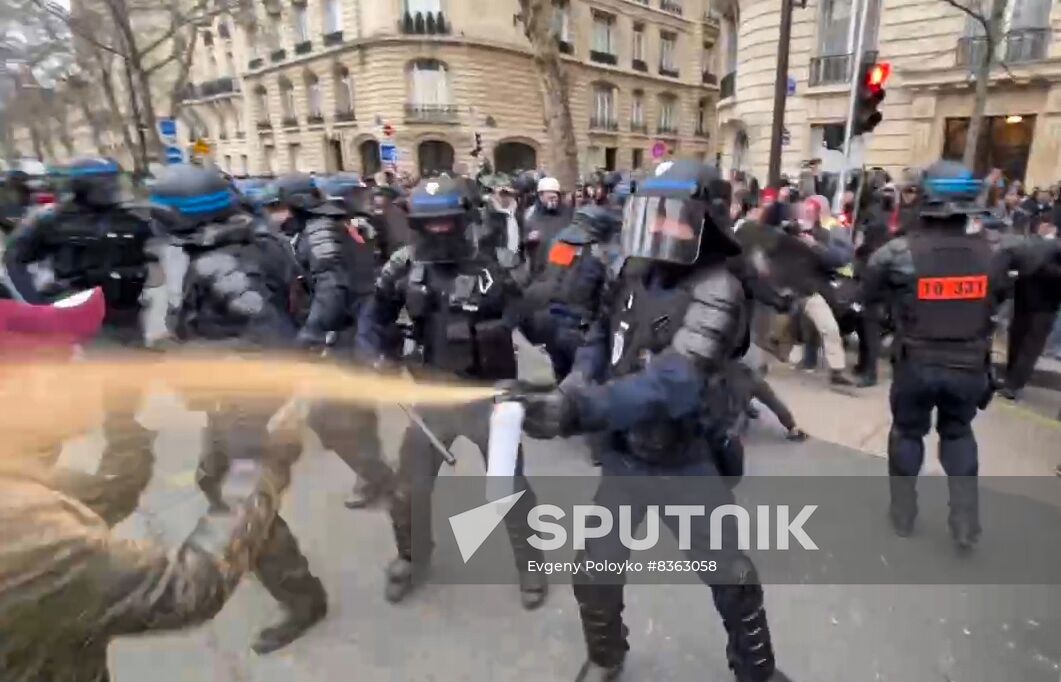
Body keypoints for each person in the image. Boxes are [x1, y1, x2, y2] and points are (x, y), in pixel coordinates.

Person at [519, 161, 792, 682]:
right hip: (626, 457)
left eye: (676, 219)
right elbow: (600, 339)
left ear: (706, 222)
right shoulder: (631, 269)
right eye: (654, 216)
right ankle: (606, 656)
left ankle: (757, 671)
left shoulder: (719, 288)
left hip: (686, 458)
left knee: (731, 579)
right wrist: (568, 391)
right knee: (594, 573)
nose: (662, 229)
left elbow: (675, 382)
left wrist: (579, 411)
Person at [154, 163, 328, 653]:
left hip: (253, 403)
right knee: (214, 479)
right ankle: (260, 553)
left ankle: (302, 597)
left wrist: (191, 355)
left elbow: (275, 343)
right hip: (233, 398)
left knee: (244, 504)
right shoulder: (242, 235)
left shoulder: (225, 263)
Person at [356, 175, 548, 610]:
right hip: (432, 398)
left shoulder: (498, 263)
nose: (439, 231)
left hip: (490, 396)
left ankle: (531, 565)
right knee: (408, 487)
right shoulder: (404, 264)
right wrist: (373, 357)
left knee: (509, 486)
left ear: (464, 219)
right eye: (430, 224)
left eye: (447, 222)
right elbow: (373, 318)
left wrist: (572, 375)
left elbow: (538, 323)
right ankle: (412, 556)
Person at [860, 160, 1010, 551]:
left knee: (908, 433)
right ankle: (964, 523)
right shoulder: (995, 252)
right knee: (958, 433)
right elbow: (999, 296)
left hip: (917, 362)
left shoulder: (897, 253)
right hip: (969, 364)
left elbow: (869, 293)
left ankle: (904, 515)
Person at [3, 156, 162, 517]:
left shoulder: (132, 218)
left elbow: (167, 248)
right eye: (103, 183)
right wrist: (35, 302)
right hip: (81, 314)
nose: (112, 189)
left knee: (128, 383)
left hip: (127, 313)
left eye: (113, 181)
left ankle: (121, 431)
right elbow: (15, 260)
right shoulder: (49, 220)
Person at [262, 173, 396, 510]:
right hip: (355, 331)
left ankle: (375, 474)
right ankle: (374, 471)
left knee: (326, 416)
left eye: (278, 207)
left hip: (347, 334)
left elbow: (331, 286)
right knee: (352, 412)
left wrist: (312, 333)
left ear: (296, 206)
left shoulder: (320, 231)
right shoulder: (336, 222)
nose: (274, 215)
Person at [523, 204, 622, 381]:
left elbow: (553, 276)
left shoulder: (561, 244)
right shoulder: (600, 252)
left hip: (548, 320)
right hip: (578, 326)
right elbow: (608, 292)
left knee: (562, 378)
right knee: (585, 383)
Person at [998, 219, 1061, 400]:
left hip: (1037, 304)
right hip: (1033, 303)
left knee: (1025, 344)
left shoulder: (1045, 249)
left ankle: (1013, 382)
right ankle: (1011, 380)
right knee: (1022, 343)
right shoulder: (1037, 247)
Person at [524, 175, 574, 274]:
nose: (554, 200)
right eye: (550, 197)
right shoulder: (530, 215)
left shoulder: (569, 214)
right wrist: (528, 238)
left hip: (563, 270)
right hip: (539, 270)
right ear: (540, 196)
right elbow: (521, 243)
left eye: (555, 196)